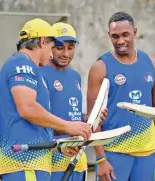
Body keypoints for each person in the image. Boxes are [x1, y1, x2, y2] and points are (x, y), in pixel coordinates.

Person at [0, 18, 92, 181]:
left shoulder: (28, 67)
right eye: (52, 47)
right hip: (24, 165)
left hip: (34, 164)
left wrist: (60, 147)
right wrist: (68, 126)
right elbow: (27, 109)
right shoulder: (21, 63)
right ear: (42, 42)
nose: (51, 54)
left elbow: (35, 127)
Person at [87, 12, 155, 181]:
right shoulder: (100, 68)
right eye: (115, 36)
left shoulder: (152, 65)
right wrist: (101, 158)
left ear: (135, 32)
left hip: (146, 154)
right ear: (109, 36)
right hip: (113, 153)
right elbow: (92, 118)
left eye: (125, 35)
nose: (120, 41)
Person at [40, 22, 107, 181]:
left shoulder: (75, 76)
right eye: (60, 47)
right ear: (50, 47)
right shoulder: (40, 73)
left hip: (77, 161)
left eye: (70, 48)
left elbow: (72, 116)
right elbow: (38, 119)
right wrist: (69, 129)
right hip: (52, 160)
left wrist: (91, 118)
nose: (65, 53)